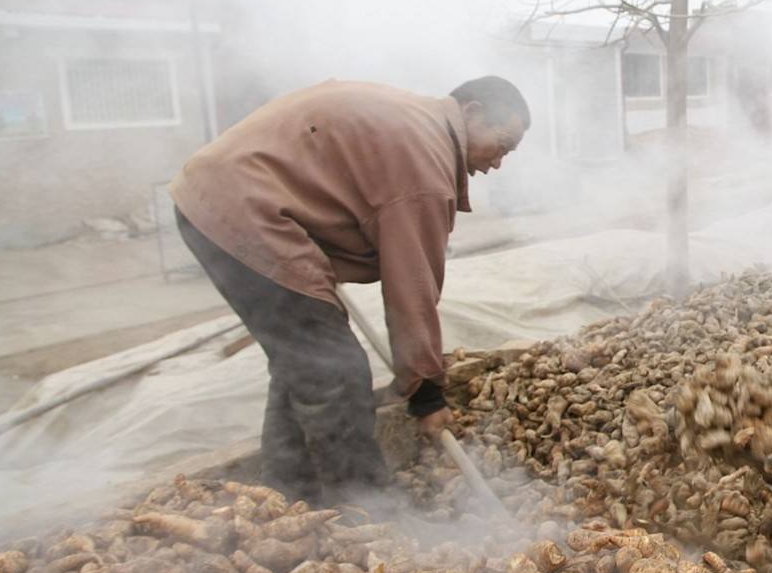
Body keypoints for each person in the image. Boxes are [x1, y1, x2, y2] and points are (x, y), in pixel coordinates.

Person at [170, 77, 529, 501]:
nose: (497, 163)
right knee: (336, 373)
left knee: (307, 365)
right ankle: (368, 512)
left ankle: (287, 496)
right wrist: (427, 393)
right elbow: (412, 289)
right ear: (470, 113)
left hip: (221, 199)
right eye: (501, 144)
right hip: (244, 212)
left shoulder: (417, 125)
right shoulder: (425, 162)